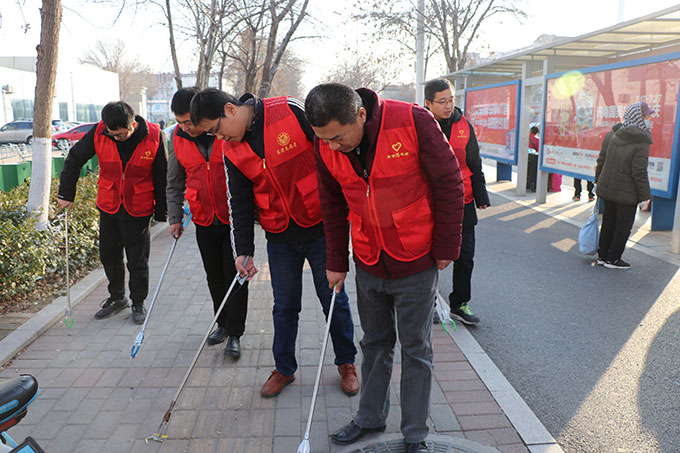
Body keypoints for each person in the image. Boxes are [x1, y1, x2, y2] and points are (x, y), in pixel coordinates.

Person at [305, 83, 465, 453]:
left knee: (416, 348)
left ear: (360, 115)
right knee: (374, 343)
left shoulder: (412, 121)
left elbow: (449, 182)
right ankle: (370, 417)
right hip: (369, 258)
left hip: (416, 257)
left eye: (338, 137)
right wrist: (335, 261)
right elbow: (331, 201)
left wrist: (446, 246)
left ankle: (415, 434)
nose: (331, 147)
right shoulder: (324, 142)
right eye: (324, 139)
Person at [189, 88, 359, 398]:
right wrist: (243, 250)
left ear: (230, 110)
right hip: (280, 234)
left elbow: (333, 152)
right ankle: (284, 368)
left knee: (333, 299)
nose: (219, 138)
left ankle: (346, 362)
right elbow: (238, 200)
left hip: (320, 227)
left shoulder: (290, 111)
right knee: (284, 306)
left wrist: (346, 209)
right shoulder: (230, 150)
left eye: (217, 129)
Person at [58, 101, 167, 324]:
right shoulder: (99, 132)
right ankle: (117, 298)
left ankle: (138, 302)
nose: (117, 138)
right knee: (109, 255)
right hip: (109, 204)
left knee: (137, 260)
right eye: (113, 134)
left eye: (122, 134)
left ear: (133, 124)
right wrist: (66, 193)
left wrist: (162, 211)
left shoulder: (154, 136)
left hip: (138, 207)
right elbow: (74, 159)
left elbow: (162, 175)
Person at [166, 87, 248, 357]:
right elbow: (174, 181)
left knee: (235, 277)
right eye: (180, 122)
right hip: (203, 218)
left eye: (189, 121)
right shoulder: (177, 139)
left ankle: (235, 333)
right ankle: (221, 323)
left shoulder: (225, 133)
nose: (186, 127)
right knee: (214, 277)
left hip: (233, 219)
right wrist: (175, 218)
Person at [424, 78, 489, 326]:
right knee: (428, 255)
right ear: (428, 103)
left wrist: (481, 195)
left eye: (451, 100)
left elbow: (474, 161)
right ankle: (427, 302)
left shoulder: (464, 125)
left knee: (465, 255)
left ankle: (459, 303)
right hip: (430, 202)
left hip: (463, 200)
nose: (448, 105)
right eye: (442, 101)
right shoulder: (420, 125)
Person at [595, 102, 652, 270]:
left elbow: (601, 160)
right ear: (639, 118)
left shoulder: (612, 134)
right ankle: (613, 259)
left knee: (608, 221)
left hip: (608, 188)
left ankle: (602, 256)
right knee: (623, 226)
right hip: (627, 193)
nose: (648, 119)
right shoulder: (641, 142)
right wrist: (645, 196)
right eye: (646, 116)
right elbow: (639, 172)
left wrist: (598, 181)